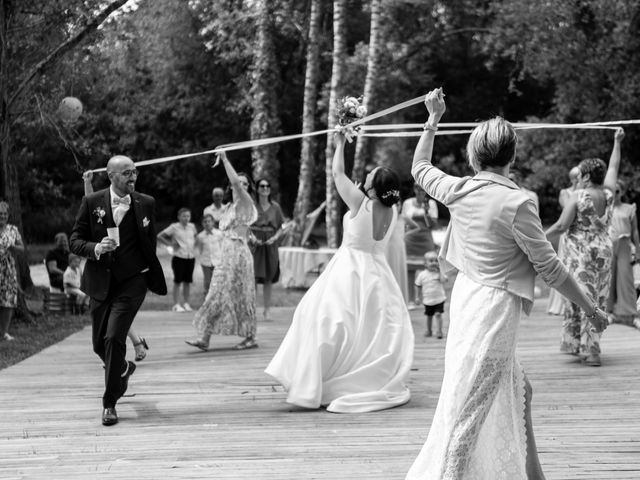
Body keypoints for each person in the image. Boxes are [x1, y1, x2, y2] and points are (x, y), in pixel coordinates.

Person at [405, 88, 608, 480]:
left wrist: (434, 117)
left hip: (467, 299)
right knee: (471, 408)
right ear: (512, 156)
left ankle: (535, 475)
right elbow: (551, 268)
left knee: (520, 390)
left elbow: (420, 167)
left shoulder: (458, 189)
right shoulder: (518, 203)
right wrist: (593, 309)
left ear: (475, 155)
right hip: (494, 311)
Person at [265, 129, 415, 413]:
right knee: (369, 326)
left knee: (323, 318)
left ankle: (318, 380)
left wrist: (338, 142)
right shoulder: (392, 211)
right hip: (377, 271)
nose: (367, 176)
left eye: (371, 176)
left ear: (373, 186)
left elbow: (336, 174)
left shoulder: (361, 202)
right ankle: (354, 376)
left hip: (350, 267)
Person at [71, 156, 167, 426]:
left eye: (135, 172)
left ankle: (109, 403)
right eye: (126, 173)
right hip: (100, 282)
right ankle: (124, 369)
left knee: (114, 338)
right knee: (99, 345)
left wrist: (147, 274)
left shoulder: (146, 203)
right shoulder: (91, 203)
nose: (133, 176)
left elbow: (150, 242)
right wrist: (96, 249)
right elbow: (75, 241)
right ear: (111, 176)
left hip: (132, 282)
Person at [546, 128, 624, 367]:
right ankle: (584, 346)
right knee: (596, 299)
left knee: (583, 300)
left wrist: (537, 239)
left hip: (581, 256)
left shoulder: (578, 196)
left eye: (580, 174)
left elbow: (561, 225)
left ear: (587, 176)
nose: (578, 178)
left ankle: (592, 352)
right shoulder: (609, 193)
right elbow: (613, 167)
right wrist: (617, 142)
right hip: (603, 252)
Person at [186, 151, 258, 351]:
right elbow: (239, 229)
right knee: (216, 292)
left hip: (239, 256)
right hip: (227, 254)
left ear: (248, 188)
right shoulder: (230, 207)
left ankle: (250, 337)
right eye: (239, 183)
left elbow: (234, 183)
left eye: (245, 184)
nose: (240, 186)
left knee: (243, 295)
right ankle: (204, 337)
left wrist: (225, 158)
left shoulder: (246, 202)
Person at [83, 170, 150, 362]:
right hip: (101, 266)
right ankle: (134, 346)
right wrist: (88, 182)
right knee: (110, 316)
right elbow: (91, 204)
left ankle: (128, 353)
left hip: (124, 267)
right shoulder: (97, 206)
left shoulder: (133, 204)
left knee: (116, 314)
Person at [547, 166, 581, 315]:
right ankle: (561, 305)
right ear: (574, 178)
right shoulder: (565, 193)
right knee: (565, 265)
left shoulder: (582, 194)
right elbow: (568, 209)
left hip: (580, 234)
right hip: (568, 233)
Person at [251, 178, 285, 321]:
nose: (265, 188)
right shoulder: (252, 206)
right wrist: (251, 237)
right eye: (262, 186)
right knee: (252, 278)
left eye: (267, 186)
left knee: (268, 279)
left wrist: (275, 238)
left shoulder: (275, 207)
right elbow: (245, 224)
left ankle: (267, 310)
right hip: (255, 243)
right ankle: (251, 310)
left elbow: (282, 226)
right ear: (257, 189)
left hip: (270, 243)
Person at [607, 180, 640, 325]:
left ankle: (629, 312)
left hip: (625, 243)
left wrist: (638, 249)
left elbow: (635, 230)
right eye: (612, 191)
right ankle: (608, 311)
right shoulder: (605, 208)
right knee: (609, 278)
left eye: (618, 191)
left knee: (626, 278)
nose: (614, 194)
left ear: (622, 192)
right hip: (608, 243)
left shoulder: (629, 208)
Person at [158, 208, 197, 312]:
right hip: (179, 257)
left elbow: (195, 238)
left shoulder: (192, 227)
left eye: (188, 216)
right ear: (179, 217)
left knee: (187, 281)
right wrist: (170, 245)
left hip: (190, 257)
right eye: (184, 216)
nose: (186, 218)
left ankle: (186, 303)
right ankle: (176, 304)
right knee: (178, 281)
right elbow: (160, 236)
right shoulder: (174, 227)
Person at [0, 200, 25, 342]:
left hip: (8, 270)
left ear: (8, 215)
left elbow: (22, 249)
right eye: (0, 214)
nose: (2, 216)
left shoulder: (13, 230)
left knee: (8, 301)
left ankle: (4, 332)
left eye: (4, 214)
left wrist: (13, 248)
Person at [414, 250, 447, 339]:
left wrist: (440, 271)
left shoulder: (439, 273)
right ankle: (429, 330)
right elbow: (418, 285)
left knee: (438, 314)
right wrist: (417, 297)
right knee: (429, 316)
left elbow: (443, 281)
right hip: (428, 300)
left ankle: (439, 331)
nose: (434, 263)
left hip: (439, 299)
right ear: (425, 264)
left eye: (436, 261)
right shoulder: (422, 275)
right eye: (431, 261)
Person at [385, 200, 409, 303]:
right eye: (395, 204)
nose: (397, 207)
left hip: (399, 245)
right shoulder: (387, 216)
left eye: (399, 204)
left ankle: (401, 299)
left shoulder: (403, 217)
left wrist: (406, 234)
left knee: (399, 268)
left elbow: (416, 227)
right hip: (388, 246)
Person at [195, 213, 223, 296]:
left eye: (209, 221)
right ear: (202, 224)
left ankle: (217, 299)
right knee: (207, 282)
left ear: (213, 222)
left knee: (218, 281)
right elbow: (200, 249)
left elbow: (222, 246)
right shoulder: (200, 236)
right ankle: (207, 299)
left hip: (218, 261)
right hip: (206, 262)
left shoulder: (219, 234)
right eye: (205, 222)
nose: (207, 223)